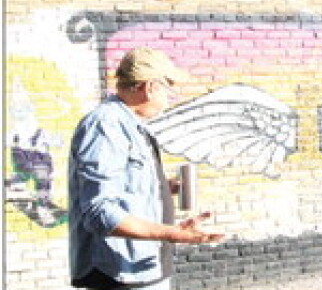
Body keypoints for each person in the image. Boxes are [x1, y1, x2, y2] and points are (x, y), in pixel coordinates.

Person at [68, 47, 224, 290]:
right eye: (169, 87)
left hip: (141, 266)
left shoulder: (131, 125)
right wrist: (173, 234)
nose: (171, 96)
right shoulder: (106, 126)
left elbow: (123, 187)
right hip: (119, 272)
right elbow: (100, 212)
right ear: (150, 87)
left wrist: (162, 187)